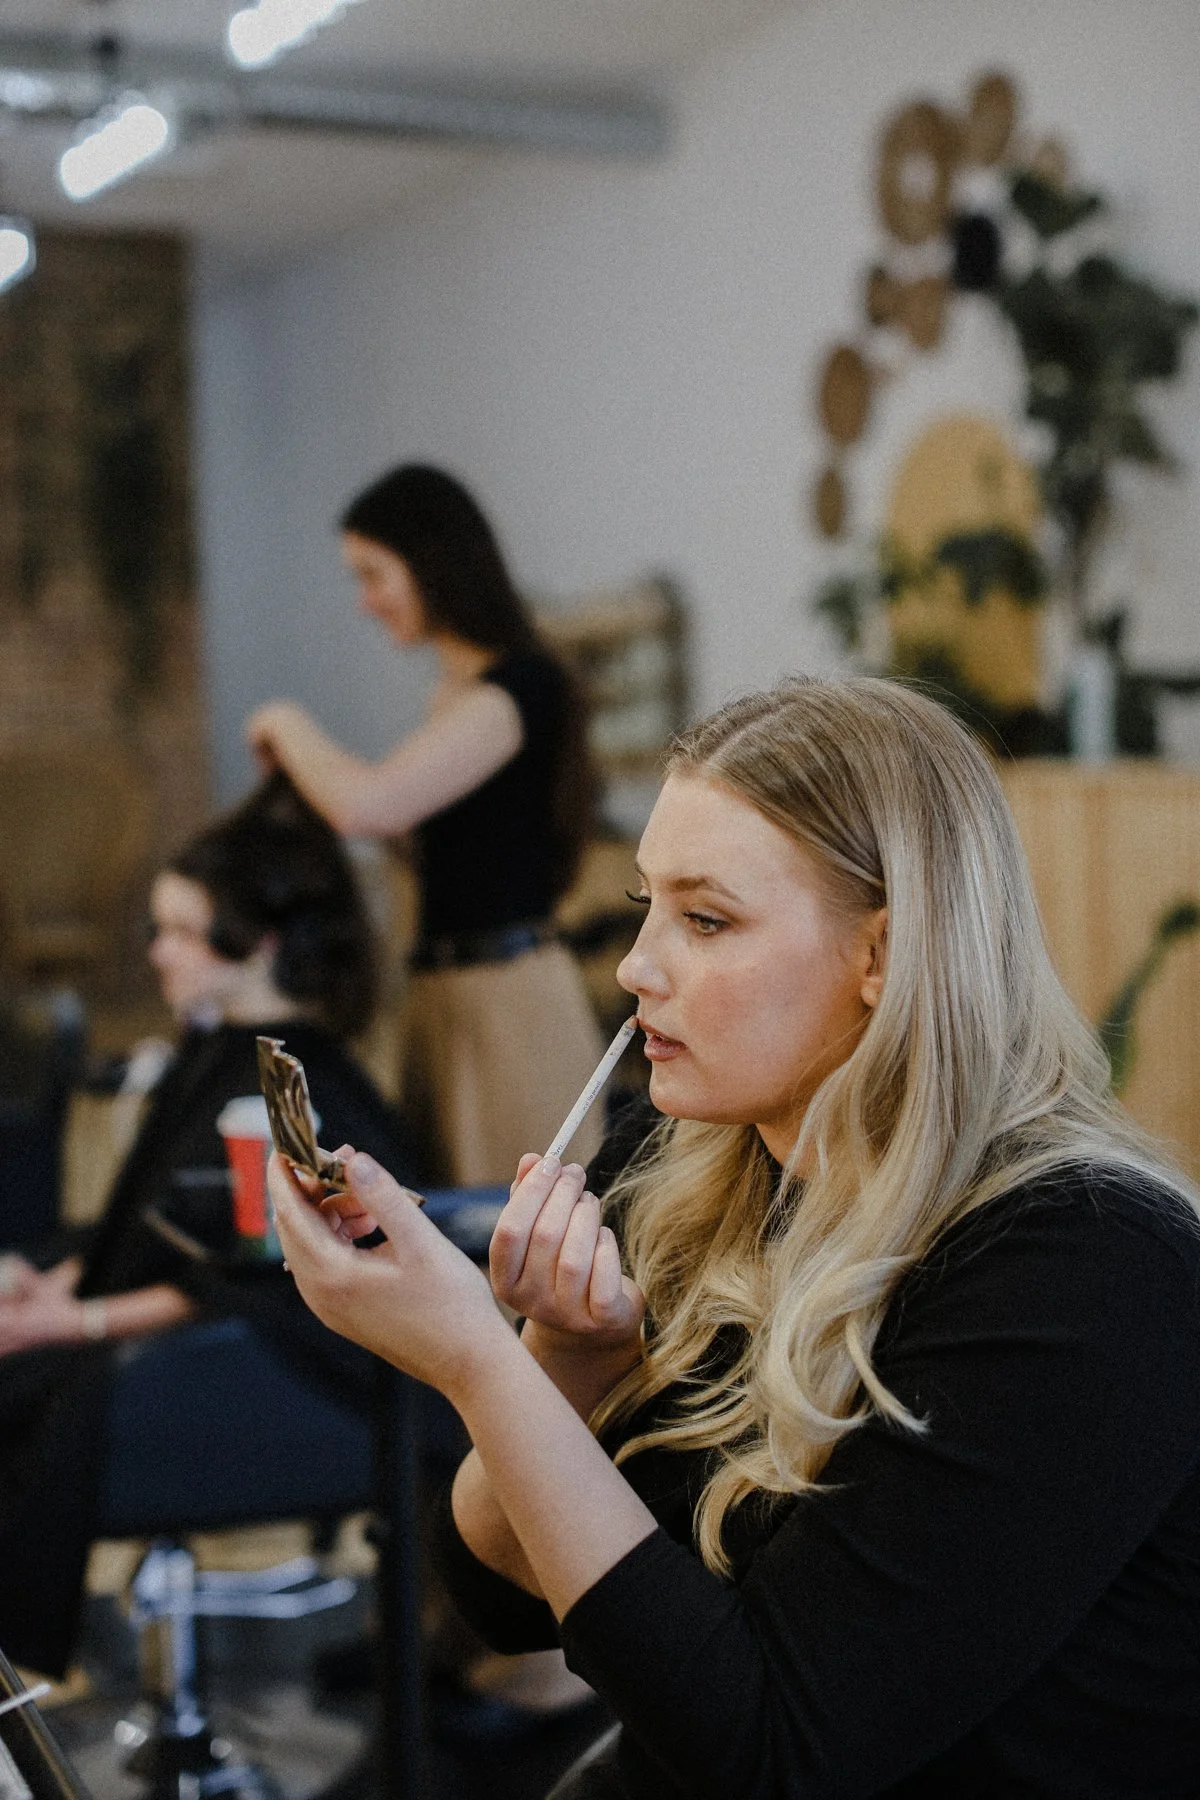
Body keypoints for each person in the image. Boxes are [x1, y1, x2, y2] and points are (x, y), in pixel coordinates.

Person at [271, 676, 1200, 1797]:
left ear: (883, 958)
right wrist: (560, 1364)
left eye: (705, 919)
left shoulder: (1088, 1270)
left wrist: (475, 1360)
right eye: (647, 904)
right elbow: (499, 1596)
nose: (636, 965)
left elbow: (769, 1755)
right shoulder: (684, 1169)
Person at [0, 773, 421, 1677]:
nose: (159, 955)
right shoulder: (219, 1052)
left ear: (259, 944)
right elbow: (157, 1221)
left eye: (184, 933)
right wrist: (63, 1282)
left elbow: (247, 1287)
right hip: (201, 1353)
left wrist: (66, 1321)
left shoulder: (291, 1094)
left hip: (291, 1382)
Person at [245, 462, 605, 1187]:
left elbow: (369, 805)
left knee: (516, 1238)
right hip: (443, 998)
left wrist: (284, 722)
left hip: (508, 1008)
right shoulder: (458, 692)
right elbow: (423, 838)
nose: (364, 601)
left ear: (433, 563)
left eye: (374, 574)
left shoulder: (518, 687)